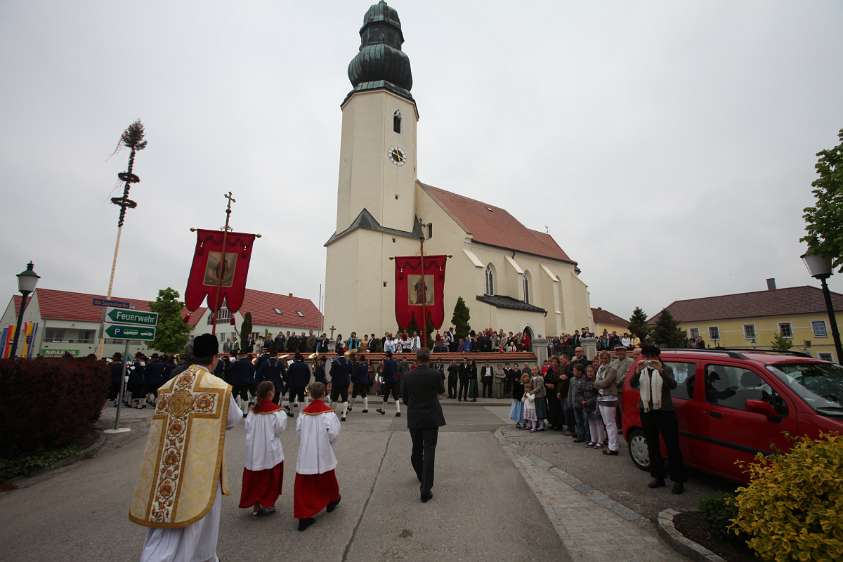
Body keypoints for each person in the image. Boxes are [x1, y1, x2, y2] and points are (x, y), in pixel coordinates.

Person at [130, 333, 242, 562]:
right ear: (215, 358)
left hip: (167, 466)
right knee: (196, 527)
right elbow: (234, 419)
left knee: (164, 526)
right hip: (199, 468)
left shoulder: (169, 386)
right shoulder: (217, 387)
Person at [631, 345, 686, 494]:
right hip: (647, 410)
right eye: (646, 356)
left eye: (651, 356)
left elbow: (673, 385)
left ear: (657, 356)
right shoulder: (642, 369)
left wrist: (660, 372)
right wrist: (637, 372)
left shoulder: (665, 368)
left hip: (664, 410)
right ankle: (658, 476)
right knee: (652, 444)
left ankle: (678, 479)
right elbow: (633, 384)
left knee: (672, 445)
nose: (648, 359)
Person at [294, 382, 342, 531]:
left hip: (306, 451)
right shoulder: (328, 413)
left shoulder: (303, 413)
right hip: (323, 450)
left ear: (309, 394)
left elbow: (299, 431)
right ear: (323, 394)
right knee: (327, 477)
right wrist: (327, 444)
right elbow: (333, 433)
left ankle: (304, 514)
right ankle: (331, 500)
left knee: (304, 484)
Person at [401, 348, 446, 503]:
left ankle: (422, 477)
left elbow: (404, 398)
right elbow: (441, 390)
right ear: (429, 359)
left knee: (416, 450)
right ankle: (425, 488)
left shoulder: (408, 375)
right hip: (431, 417)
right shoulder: (435, 374)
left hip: (415, 417)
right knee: (429, 452)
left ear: (416, 359)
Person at [240, 381, 287, 517]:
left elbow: (247, 428)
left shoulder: (252, 411)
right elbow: (279, 430)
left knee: (255, 476)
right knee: (270, 476)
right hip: (269, 449)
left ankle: (256, 505)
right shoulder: (277, 412)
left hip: (254, 448)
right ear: (270, 394)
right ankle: (267, 503)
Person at [593, 351, 619, 455]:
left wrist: (596, 384)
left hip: (609, 398)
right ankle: (611, 444)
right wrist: (597, 384)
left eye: (605, 358)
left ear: (609, 358)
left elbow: (605, 383)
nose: (603, 360)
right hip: (601, 397)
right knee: (606, 423)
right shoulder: (600, 368)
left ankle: (613, 448)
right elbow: (598, 383)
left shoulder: (612, 369)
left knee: (610, 423)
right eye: (602, 358)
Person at [376, 350, 401, 417]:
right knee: (395, 395)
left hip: (388, 381)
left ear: (387, 356)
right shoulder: (395, 362)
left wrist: (382, 375)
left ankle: (383, 410)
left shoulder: (386, 362)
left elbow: (385, 372)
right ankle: (398, 411)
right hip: (394, 380)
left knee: (386, 395)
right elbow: (396, 371)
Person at [329, 351, 352, 421]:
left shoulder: (335, 362)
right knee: (345, 399)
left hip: (336, 383)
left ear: (338, 354)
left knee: (335, 399)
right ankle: (344, 415)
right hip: (345, 383)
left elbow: (331, 373)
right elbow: (351, 371)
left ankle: (332, 414)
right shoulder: (348, 361)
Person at [530, 366, 547, 431]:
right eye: (533, 370)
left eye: (535, 369)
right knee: (536, 410)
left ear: (538, 370)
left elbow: (539, 387)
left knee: (540, 410)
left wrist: (532, 392)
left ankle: (541, 425)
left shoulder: (540, 378)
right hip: (534, 397)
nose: (534, 371)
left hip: (540, 396)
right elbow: (530, 386)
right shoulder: (532, 378)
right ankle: (538, 424)